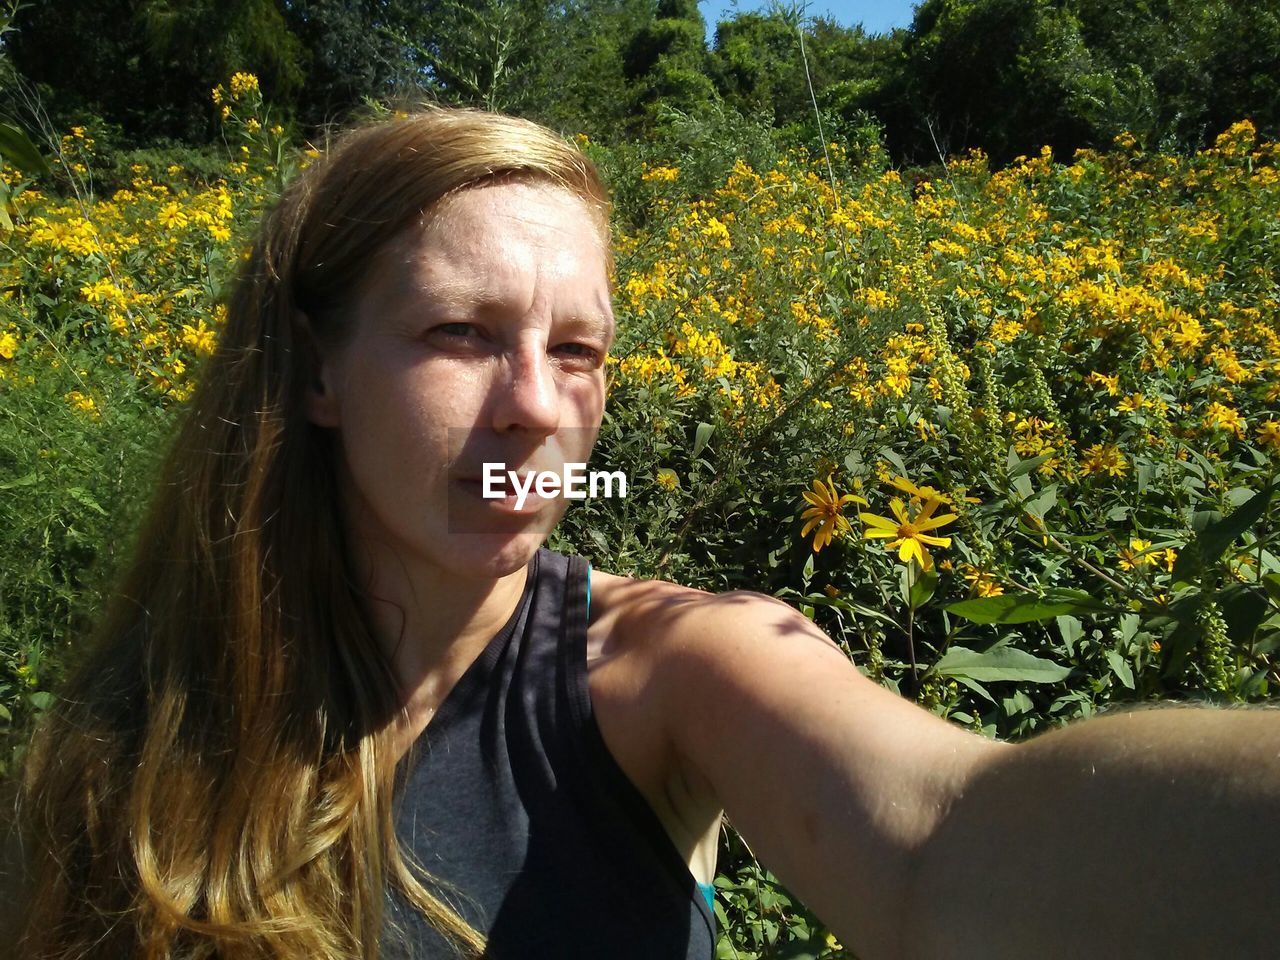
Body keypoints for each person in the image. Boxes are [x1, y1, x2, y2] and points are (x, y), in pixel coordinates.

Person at [2, 106, 1278, 960]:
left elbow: (948, 832)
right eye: (460, 335)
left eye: (580, 352)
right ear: (318, 372)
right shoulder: (112, 754)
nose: (538, 413)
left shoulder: (669, 669)